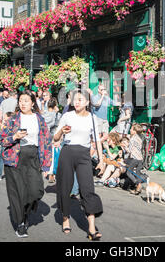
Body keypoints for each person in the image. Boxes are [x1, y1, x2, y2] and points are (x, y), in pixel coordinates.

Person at [0, 90, 52, 238]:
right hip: (14, 159)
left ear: (33, 103)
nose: (23, 103)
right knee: (18, 193)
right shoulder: (13, 119)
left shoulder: (39, 119)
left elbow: (46, 142)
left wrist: (47, 166)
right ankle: (21, 223)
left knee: (36, 191)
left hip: (33, 158)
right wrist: (15, 136)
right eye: (21, 100)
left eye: (26, 101)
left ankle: (26, 212)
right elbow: (2, 140)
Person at [53, 90, 103, 240]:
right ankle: (65, 218)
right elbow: (55, 137)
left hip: (84, 155)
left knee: (88, 189)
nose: (77, 102)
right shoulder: (67, 116)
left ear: (87, 103)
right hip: (67, 152)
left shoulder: (93, 119)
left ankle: (92, 228)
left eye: (81, 100)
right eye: (75, 99)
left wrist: (101, 159)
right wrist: (61, 131)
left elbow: (98, 141)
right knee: (64, 188)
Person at [0, 111, 15, 181]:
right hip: (12, 143)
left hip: (5, 142)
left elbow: (3, 134)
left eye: (5, 116)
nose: (4, 118)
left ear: (9, 117)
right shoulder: (14, 123)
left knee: (1, 159)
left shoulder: (7, 124)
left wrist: (2, 126)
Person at [126, 123, 146, 195]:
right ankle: (137, 189)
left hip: (135, 159)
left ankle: (138, 185)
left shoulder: (132, 139)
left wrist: (125, 147)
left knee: (129, 172)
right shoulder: (141, 137)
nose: (130, 130)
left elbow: (129, 151)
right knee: (137, 174)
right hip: (140, 159)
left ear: (134, 131)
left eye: (131, 129)